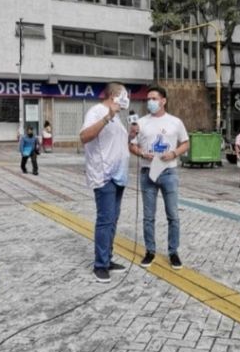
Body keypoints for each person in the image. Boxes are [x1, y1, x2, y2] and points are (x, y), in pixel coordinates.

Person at [130, 85, 189, 270]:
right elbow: (131, 145)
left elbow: (185, 143)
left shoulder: (175, 122)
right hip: (148, 173)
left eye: (154, 98)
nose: (150, 102)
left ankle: (173, 252)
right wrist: (141, 154)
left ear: (163, 101)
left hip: (169, 172)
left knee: (173, 215)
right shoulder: (141, 122)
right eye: (148, 99)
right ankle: (150, 251)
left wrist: (174, 154)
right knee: (148, 217)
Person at [80, 83, 131, 283]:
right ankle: (100, 265)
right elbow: (84, 136)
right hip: (104, 175)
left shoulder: (118, 118)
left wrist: (132, 134)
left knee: (113, 220)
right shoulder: (97, 111)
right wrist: (108, 116)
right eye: (124, 94)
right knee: (105, 220)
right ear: (114, 95)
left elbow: (116, 144)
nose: (128, 98)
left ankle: (107, 258)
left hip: (119, 176)